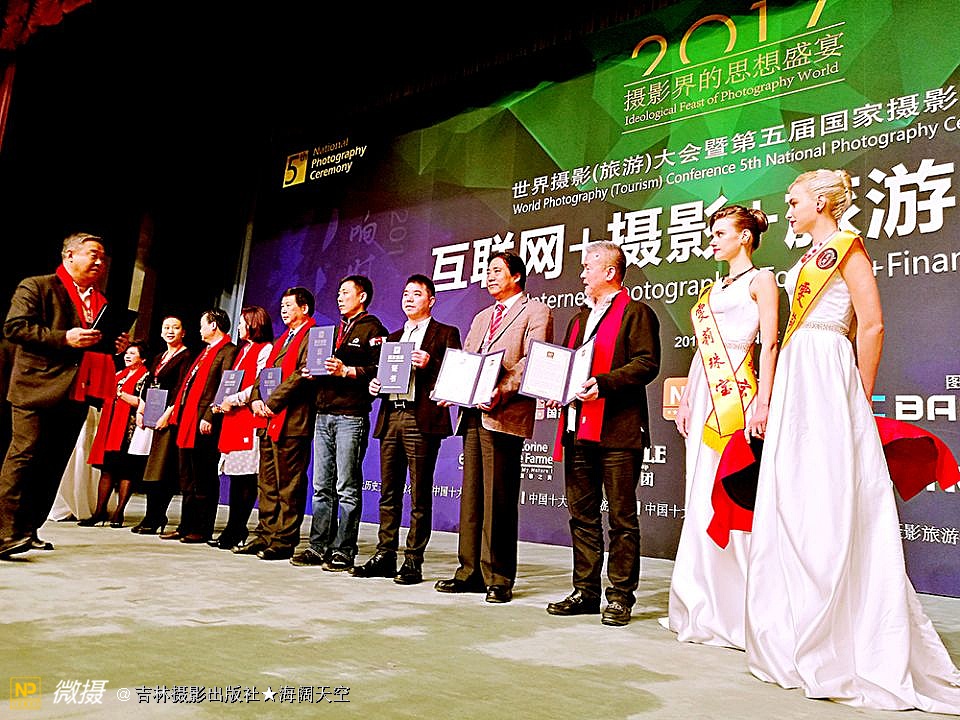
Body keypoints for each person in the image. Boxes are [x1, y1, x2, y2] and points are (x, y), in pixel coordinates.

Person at [744, 169, 960, 712]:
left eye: (794, 201)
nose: (788, 210)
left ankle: (847, 638)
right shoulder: (805, 258)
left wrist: (860, 393)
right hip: (798, 372)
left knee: (832, 491)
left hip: (826, 370)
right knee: (794, 492)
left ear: (821, 201)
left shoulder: (849, 248)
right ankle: (797, 628)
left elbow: (872, 325)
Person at [661, 207, 779, 647]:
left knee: (728, 492)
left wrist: (764, 401)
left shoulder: (761, 280)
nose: (712, 240)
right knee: (698, 489)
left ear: (745, 237)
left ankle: (739, 608)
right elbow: (701, 352)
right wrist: (689, 398)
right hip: (705, 392)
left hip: (737, 396)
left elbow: (770, 343)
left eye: (720, 233)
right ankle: (700, 602)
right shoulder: (713, 288)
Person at [543, 241, 659, 625]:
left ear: (610, 272)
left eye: (587, 267)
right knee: (582, 516)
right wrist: (556, 392)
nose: (582, 274)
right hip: (577, 429)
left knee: (622, 518)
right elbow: (567, 368)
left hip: (618, 431)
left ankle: (621, 596)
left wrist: (604, 383)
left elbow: (646, 363)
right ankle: (585, 591)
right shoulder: (579, 319)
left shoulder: (636, 313)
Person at [0, 232, 129, 559]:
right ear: (69, 256)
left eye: (102, 257)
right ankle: (4, 533)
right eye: (92, 254)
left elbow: (91, 344)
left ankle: (29, 530)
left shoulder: (100, 301)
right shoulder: (37, 286)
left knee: (51, 465)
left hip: (76, 391)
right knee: (24, 457)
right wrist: (64, 338)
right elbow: (15, 327)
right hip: (36, 387)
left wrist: (113, 346)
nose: (99, 262)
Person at [434, 250, 553, 604]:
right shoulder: (482, 316)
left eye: (497, 271)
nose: (489, 276)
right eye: (487, 271)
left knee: (498, 498)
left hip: (504, 413)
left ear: (516, 276)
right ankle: (469, 571)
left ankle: (498, 577)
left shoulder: (535, 311)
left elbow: (533, 360)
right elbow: (467, 361)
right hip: (473, 413)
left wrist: (500, 390)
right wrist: (451, 389)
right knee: (472, 496)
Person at [352, 274, 461, 584]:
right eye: (405, 294)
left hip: (420, 418)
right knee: (388, 493)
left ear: (431, 300)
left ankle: (413, 559)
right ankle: (385, 553)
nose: (409, 299)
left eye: (416, 294)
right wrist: (376, 386)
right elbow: (385, 375)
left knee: (419, 494)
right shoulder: (394, 337)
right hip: (391, 416)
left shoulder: (445, 333)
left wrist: (431, 363)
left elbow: (457, 374)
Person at [290, 275, 386, 571]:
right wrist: (314, 372)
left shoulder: (373, 329)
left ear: (362, 296)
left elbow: (380, 369)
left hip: (351, 416)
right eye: (339, 293)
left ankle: (344, 549)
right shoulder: (334, 331)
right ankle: (318, 545)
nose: (340, 298)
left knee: (347, 487)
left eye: (346, 292)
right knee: (321, 486)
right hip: (323, 413)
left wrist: (348, 371)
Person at [234, 287, 316, 560]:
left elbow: (302, 374)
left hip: (292, 420)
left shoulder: (312, 336)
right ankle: (265, 533)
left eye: (289, 305)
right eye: (281, 305)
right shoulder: (282, 339)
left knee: (289, 484)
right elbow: (264, 374)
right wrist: (256, 399)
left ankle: (284, 539)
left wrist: (272, 402)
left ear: (304, 308)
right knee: (267, 482)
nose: (283, 310)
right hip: (267, 420)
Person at [159, 309, 237, 544]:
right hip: (188, 419)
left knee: (203, 476)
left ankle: (202, 528)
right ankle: (186, 525)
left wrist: (210, 415)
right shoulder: (205, 351)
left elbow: (225, 386)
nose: (200, 329)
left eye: (203, 324)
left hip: (205, 420)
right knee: (187, 478)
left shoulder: (228, 351)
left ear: (213, 325)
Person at [209, 305, 274, 550]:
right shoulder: (243, 350)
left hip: (249, 419)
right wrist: (220, 402)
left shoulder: (265, 349)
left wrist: (233, 399)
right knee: (236, 479)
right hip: (233, 419)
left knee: (246, 478)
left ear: (253, 324)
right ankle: (233, 528)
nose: (238, 327)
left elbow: (258, 384)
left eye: (242, 322)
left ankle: (237, 529)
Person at [79, 340, 151, 527]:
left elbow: (142, 402)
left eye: (133, 353)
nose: (128, 356)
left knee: (127, 471)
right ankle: (99, 511)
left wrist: (120, 394)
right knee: (107, 469)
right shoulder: (120, 374)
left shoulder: (146, 377)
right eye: (127, 353)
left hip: (129, 429)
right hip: (111, 427)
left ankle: (119, 512)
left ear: (142, 359)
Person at [131, 315, 193, 534]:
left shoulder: (186, 356)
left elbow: (181, 388)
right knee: (150, 469)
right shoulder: (159, 357)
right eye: (166, 327)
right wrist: (141, 410)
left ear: (183, 332)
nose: (170, 331)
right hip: (151, 416)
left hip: (168, 418)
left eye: (175, 327)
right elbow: (149, 384)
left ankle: (156, 516)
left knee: (162, 470)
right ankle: (151, 515)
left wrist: (168, 414)